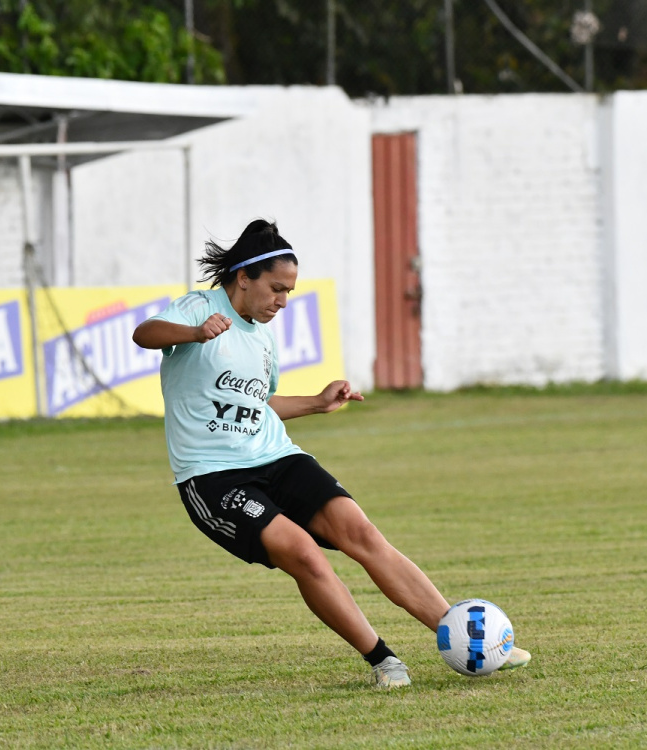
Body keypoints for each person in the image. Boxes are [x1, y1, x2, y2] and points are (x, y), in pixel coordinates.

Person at [132, 218, 531, 686]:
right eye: (277, 289)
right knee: (305, 554)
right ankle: (384, 661)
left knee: (361, 533)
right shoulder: (201, 307)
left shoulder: (262, 334)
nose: (283, 300)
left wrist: (317, 404)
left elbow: (258, 405)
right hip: (215, 477)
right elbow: (145, 332)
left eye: (290, 291)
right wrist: (195, 333)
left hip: (276, 456)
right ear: (244, 278)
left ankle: (468, 637)